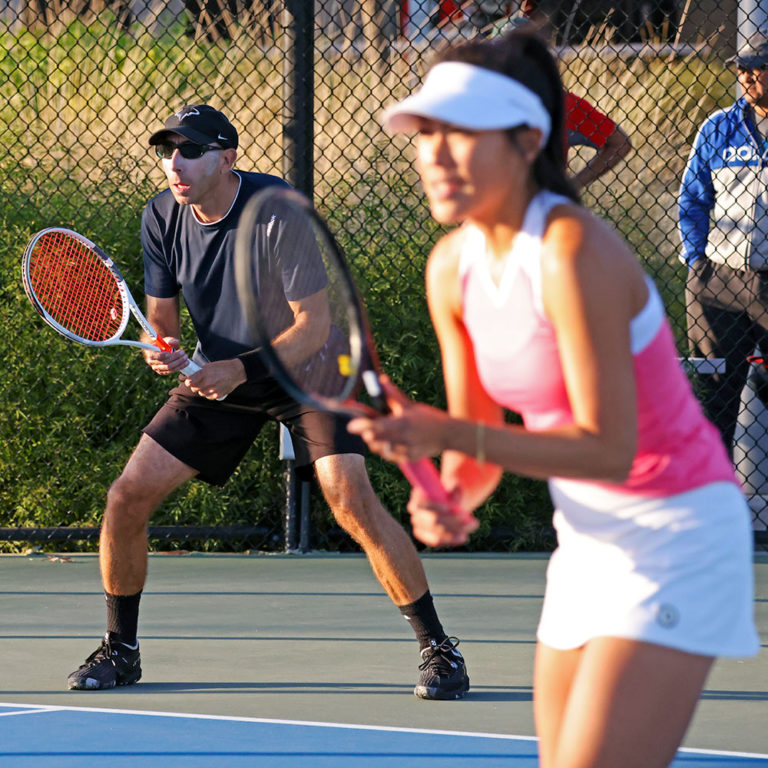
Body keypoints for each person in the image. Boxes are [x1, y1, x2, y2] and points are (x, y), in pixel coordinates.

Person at [348, 32, 759, 767]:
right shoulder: (452, 268)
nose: (435, 154)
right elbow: (479, 439)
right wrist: (449, 491)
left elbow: (610, 446)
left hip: (680, 531)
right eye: (426, 132)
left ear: (528, 140)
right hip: (588, 543)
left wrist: (447, 434)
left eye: (462, 133)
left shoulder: (574, 251)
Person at [66, 104, 469, 701]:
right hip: (220, 372)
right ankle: (120, 650)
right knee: (126, 497)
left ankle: (440, 650)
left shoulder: (276, 211)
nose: (173, 164)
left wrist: (238, 368)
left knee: (349, 499)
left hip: (311, 372)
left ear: (226, 159)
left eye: (189, 151)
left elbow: (313, 323)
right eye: (167, 152)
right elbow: (162, 318)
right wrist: (164, 349)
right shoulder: (160, 216)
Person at [679, 31, 768, 455]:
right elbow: (693, 199)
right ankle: (711, 505)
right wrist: (697, 262)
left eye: (759, 67)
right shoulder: (719, 128)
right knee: (714, 397)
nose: (748, 76)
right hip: (719, 282)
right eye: (743, 68)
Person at [492, 2, 633, 190]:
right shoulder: (481, 100)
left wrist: (572, 186)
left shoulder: (562, 104)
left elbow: (619, 143)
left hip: (542, 206)